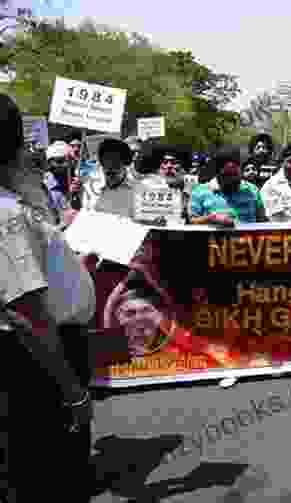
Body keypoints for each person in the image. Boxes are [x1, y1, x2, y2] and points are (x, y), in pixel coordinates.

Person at [0, 94, 96, 502]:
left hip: (43, 353)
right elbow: (26, 314)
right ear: (13, 149)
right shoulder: (6, 214)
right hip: (35, 364)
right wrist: (72, 390)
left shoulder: (19, 205)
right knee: (45, 476)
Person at [191, 146, 267, 225]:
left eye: (235, 174)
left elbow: (262, 221)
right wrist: (210, 218)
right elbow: (191, 221)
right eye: (227, 175)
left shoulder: (252, 190)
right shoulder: (199, 191)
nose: (232, 179)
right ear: (218, 173)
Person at [92, 138, 136, 218]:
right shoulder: (90, 188)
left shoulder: (137, 192)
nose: (110, 169)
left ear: (125, 164)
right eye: (106, 163)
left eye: (115, 163)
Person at [44, 140, 82, 222]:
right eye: (59, 161)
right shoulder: (46, 184)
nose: (66, 164)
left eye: (70, 160)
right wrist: (69, 194)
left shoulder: (80, 178)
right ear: (50, 163)